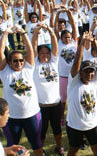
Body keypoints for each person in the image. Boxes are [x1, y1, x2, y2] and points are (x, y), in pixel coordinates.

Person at [0, 26, 43, 156]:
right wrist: (6, 34)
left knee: (37, 143)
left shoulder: (28, 69)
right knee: (13, 146)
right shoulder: (5, 72)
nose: (19, 63)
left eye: (21, 60)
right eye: (15, 61)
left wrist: (23, 33)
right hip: (12, 118)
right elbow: (1, 51)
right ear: (9, 62)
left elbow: (30, 50)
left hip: (32, 115)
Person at [66, 32, 97, 156]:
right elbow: (77, 62)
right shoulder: (74, 82)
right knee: (73, 151)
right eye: (86, 71)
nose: (89, 74)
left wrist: (96, 45)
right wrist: (82, 44)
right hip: (75, 125)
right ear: (80, 73)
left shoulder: (94, 82)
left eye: (91, 71)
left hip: (92, 124)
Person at [31, 23, 64, 155]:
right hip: (41, 105)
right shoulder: (34, 65)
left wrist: (51, 31)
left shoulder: (54, 62)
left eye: (47, 53)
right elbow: (33, 47)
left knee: (57, 128)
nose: (45, 55)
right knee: (42, 130)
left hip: (55, 103)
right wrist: (36, 33)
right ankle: (41, 149)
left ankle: (59, 146)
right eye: (42, 53)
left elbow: (55, 46)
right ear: (38, 54)